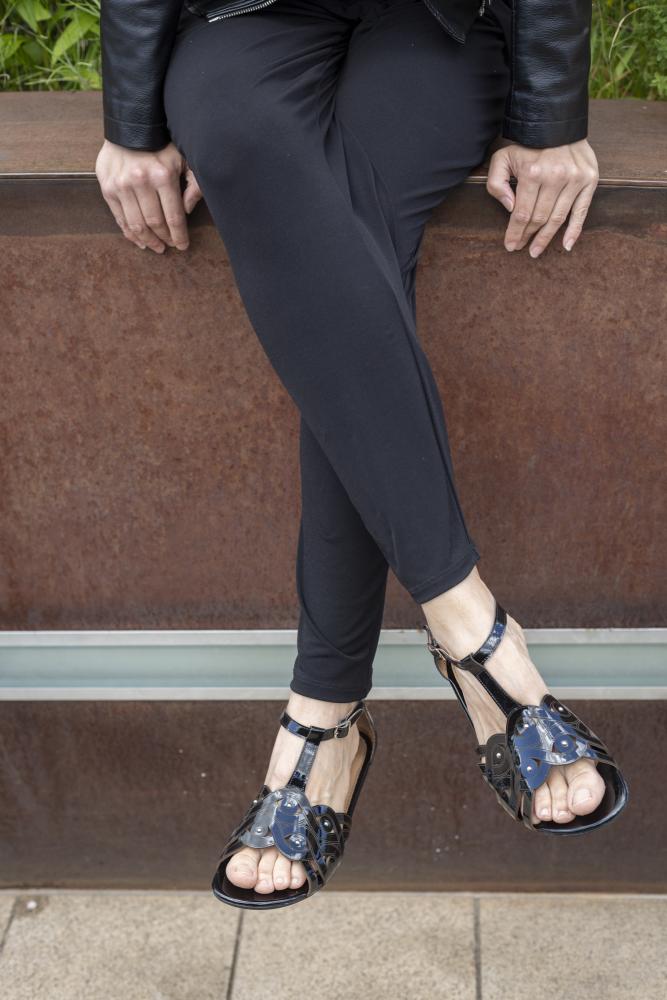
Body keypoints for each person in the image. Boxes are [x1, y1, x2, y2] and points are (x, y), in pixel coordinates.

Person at [95, 0, 628, 909]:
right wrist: (132, 120)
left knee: (350, 229)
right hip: (242, 15)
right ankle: (471, 630)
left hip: (435, 21)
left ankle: (324, 711)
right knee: (238, 136)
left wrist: (548, 115)